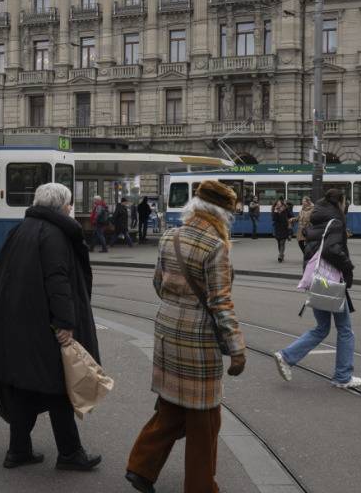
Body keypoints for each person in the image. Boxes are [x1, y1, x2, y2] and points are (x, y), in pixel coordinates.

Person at [126, 180, 245, 493]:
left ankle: (141, 466)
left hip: (167, 330)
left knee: (172, 406)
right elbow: (220, 301)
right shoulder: (215, 245)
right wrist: (237, 348)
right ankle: (201, 486)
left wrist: (176, 306)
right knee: (206, 419)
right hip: (198, 339)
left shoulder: (171, 236)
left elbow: (157, 284)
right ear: (221, 212)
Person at [0, 183, 102, 471]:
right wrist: (66, 323)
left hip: (20, 322)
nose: (71, 209)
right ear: (61, 207)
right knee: (57, 387)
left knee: (25, 387)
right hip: (45, 324)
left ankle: (18, 450)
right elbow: (58, 282)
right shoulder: (54, 235)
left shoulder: (21, 230)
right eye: (69, 204)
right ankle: (70, 453)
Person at [273, 188, 361, 389]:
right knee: (345, 330)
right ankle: (343, 376)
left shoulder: (318, 220)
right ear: (339, 202)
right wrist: (348, 267)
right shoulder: (336, 222)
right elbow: (332, 250)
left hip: (316, 280)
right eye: (345, 201)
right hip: (331, 282)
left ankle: (286, 356)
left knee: (322, 328)